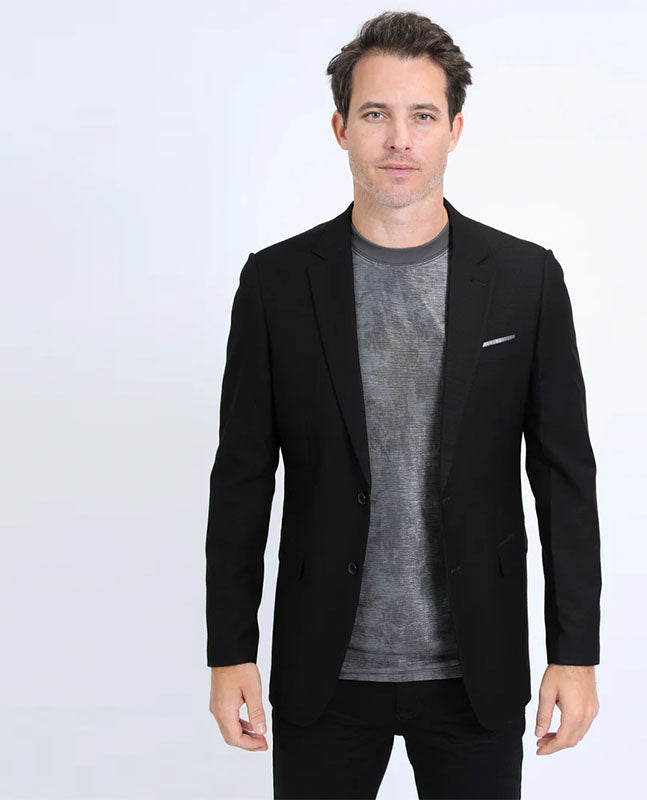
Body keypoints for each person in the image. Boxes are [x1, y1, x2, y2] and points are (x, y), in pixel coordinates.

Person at [206, 10, 601, 799]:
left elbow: (563, 479)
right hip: (324, 670)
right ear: (340, 128)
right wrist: (230, 650)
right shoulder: (277, 284)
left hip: (476, 669)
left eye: (422, 115)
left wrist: (575, 652)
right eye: (375, 114)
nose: (399, 139)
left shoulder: (525, 281)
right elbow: (243, 478)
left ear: (454, 130)